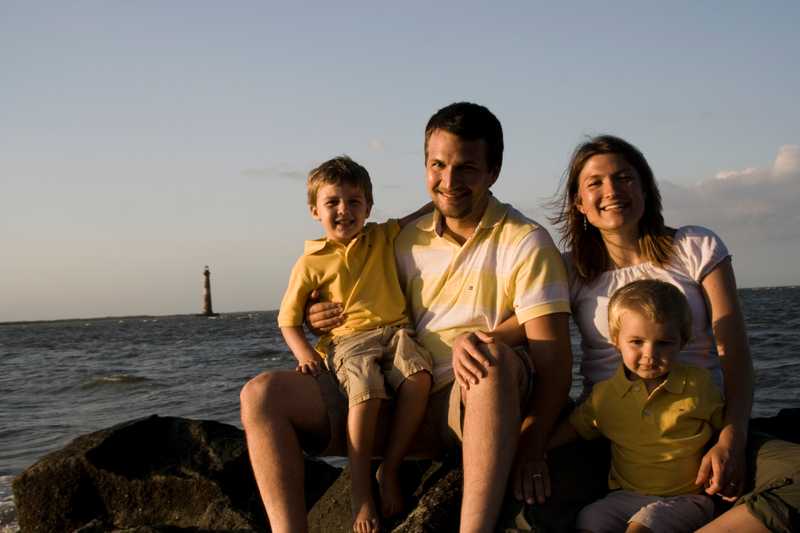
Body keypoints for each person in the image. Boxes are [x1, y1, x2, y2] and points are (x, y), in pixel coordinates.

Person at [244, 101, 573, 533]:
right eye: (438, 165)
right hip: (390, 395)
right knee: (262, 394)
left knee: (490, 364)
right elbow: (349, 285)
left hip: (466, 406)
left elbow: (555, 361)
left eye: (467, 168)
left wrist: (533, 444)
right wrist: (315, 314)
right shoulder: (400, 239)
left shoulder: (525, 242)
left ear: (493, 172)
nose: (449, 181)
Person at [549, 134, 800, 532]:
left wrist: (729, 441)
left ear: (646, 187)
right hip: (614, 435)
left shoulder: (694, 246)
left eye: (624, 177)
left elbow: (734, 352)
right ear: (579, 203)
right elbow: (528, 325)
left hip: (701, 426)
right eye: (595, 182)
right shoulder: (570, 271)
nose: (611, 190)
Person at [277, 156, 434, 532]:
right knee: (366, 394)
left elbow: (419, 214)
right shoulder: (310, 262)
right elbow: (288, 320)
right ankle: (360, 490)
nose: (344, 211)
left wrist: (445, 196)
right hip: (349, 341)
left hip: (396, 332)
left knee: (420, 378)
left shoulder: (381, 236)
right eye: (333, 202)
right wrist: (304, 355)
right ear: (315, 210)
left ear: (368, 207)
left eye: (354, 201)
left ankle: (390, 468)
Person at [548, 279, 725, 532]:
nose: (650, 354)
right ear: (616, 340)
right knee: (590, 519)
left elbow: (724, 424)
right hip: (626, 496)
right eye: (637, 342)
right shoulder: (605, 395)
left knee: (642, 526)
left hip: (686, 499)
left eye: (664, 343)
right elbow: (576, 427)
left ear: (682, 342)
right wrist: (534, 451)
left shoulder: (698, 384)